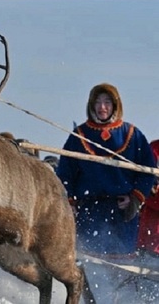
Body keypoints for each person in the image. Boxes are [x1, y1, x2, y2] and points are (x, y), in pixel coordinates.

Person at [56, 82, 156, 300]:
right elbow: (65, 174)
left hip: (122, 215)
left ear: (115, 105)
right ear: (91, 105)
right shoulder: (79, 136)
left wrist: (135, 198)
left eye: (107, 102)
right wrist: (70, 203)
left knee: (121, 273)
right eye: (98, 102)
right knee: (88, 268)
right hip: (89, 213)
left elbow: (148, 171)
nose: (102, 107)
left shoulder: (132, 134)